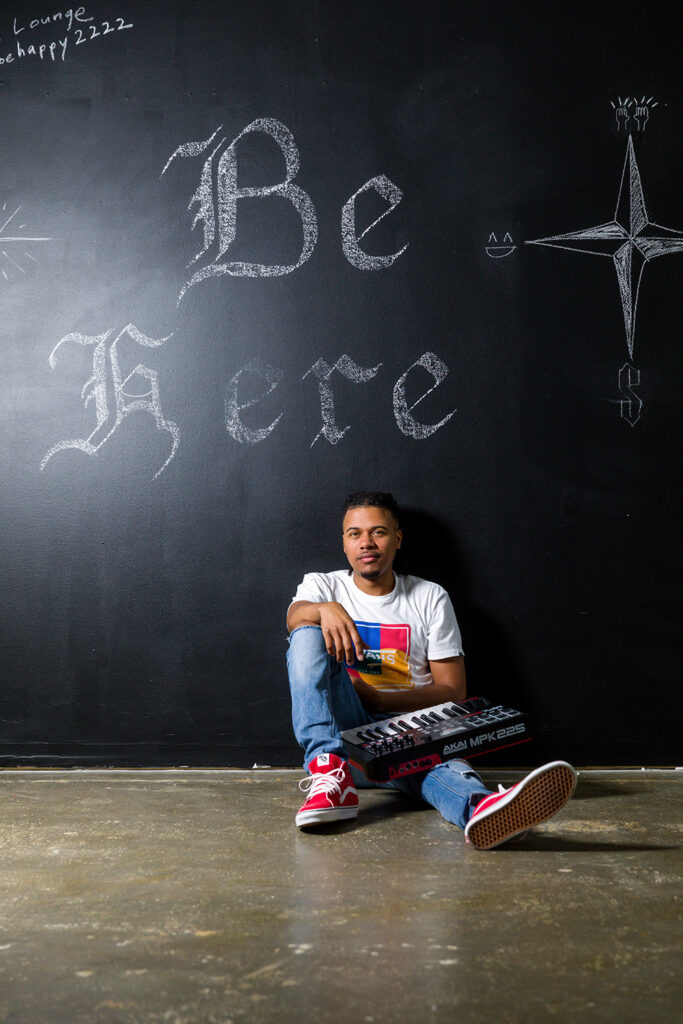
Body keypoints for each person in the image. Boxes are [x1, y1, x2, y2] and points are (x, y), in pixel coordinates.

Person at [286, 491, 576, 850]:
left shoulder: (429, 596)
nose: (366, 543)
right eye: (354, 533)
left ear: (397, 538)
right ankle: (328, 768)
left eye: (378, 532)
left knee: (440, 769)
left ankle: (482, 809)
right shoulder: (323, 586)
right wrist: (324, 609)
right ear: (344, 542)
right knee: (306, 631)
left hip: (408, 737)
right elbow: (294, 619)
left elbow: (453, 691)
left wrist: (379, 699)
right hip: (345, 741)